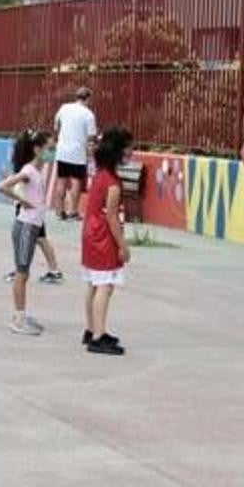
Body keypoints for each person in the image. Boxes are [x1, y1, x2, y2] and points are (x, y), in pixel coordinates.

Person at [0, 129, 54, 335]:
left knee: (25, 272)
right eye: (49, 149)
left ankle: (21, 313)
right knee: (21, 273)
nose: (52, 153)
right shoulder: (29, 171)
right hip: (25, 226)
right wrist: (23, 202)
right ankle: (19, 319)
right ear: (37, 149)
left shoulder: (36, 171)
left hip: (33, 226)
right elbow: (3, 186)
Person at [81, 127, 132, 356]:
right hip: (102, 236)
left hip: (90, 232)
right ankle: (98, 338)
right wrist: (123, 245)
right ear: (118, 151)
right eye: (127, 147)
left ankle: (92, 329)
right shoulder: (112, 182)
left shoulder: (100, 173)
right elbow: (111, 216)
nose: (130, 151)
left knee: (93, 283)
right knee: (105, 285)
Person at [52, 87, 98, 221]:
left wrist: (59, 139)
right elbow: (91, 137)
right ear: (88, 99)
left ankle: (59, 211)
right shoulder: (88, 114)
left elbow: (56, 126)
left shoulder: (64, 107)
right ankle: (73, 211)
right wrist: (91, 151)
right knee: (76, 181)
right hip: (77, 152)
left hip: (62, 150)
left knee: (61, 180)